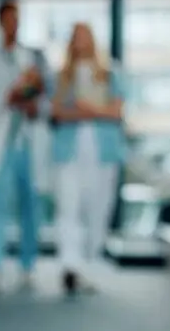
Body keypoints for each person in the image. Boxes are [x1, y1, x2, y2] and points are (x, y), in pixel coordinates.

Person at [0, 0, 52, 296]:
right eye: (8, 19)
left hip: (28, 142)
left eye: (17, 19)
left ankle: (28, 265)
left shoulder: (34, 59)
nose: (13, 24)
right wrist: (5, 99)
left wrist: (33, 106)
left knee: (31, 206)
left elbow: (48, 101)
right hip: (3, 145)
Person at [50, 22, 127, 294]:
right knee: (68, 207)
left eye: (85, 37)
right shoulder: (61, 77)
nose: (80, 42)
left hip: (102, 153)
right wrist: (90, 111)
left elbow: (116, 113)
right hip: (68, 151)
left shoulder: (111, 73)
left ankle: (91, 262)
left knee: (97, 208)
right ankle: (70, 265)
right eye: (75, 38)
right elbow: (56, 113)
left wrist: (87, 109)